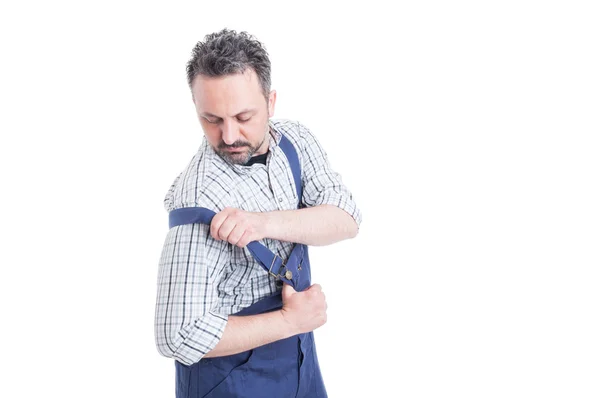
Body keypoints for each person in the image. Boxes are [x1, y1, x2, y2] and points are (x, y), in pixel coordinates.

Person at [154, 28, 362, 398]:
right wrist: (289, 320)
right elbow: (177, 335)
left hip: (300, 359)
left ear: (271, 102)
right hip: (229, 380)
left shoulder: (295, 142)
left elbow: (346, 217)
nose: (229, 135)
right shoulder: (198, 198)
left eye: (243, 116)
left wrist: (261, 222)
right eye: (212, 119)